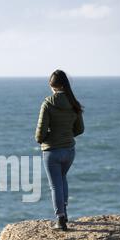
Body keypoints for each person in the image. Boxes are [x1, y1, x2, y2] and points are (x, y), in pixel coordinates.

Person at [35, 70, 85, 231]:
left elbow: (40, 133)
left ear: (54, 86)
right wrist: (66, 135)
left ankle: (61, 219)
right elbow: (80, 129)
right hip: (69, 150)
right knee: (62, 179)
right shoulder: (73, 103)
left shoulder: (48, 103)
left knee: (55, 185)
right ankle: (65, 212)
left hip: (52, 152)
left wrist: (44, 139)